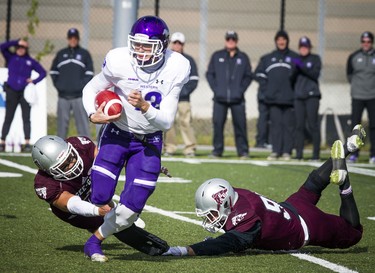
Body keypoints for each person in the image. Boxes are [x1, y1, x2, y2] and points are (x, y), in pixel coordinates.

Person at [81, 16, 190, 262]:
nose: (139, 51)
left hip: (149, 141)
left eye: (146, 46)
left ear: (162, 45)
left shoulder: (177, 66)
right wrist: (93, 114)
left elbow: (166, 121)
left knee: (131, 210)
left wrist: (144, 106)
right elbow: (90, 88)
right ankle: (105, 213)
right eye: (136, 45)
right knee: (99, 196)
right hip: (117, 133)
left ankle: (94, 241)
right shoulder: (119, 60)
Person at [163, 124, 365, 256]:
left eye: (213, 212)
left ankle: (344, 183)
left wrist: (186, 250)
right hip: (290, 208)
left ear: (225, 204)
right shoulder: (236, 194)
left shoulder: (246, 217)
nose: (210, 217)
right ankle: (347, 146)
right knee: (313, 183)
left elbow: (228, 243)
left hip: (306, 225)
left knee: (354, 232)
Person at [32, 135, 169, 260]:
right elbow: (72, 204)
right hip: (73, 209)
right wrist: (99, 211)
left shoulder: (80, 145)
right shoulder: (44, 184)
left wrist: (144, 166)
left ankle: (110, 211)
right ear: (48, 171)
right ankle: (95, 240)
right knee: (108, 224)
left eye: (70, 158)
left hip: (92, 184)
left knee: (106, 196)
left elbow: (109, 161)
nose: (72, 164)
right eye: (64, 165)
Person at [206, 30, 252, 159]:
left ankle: (243, 151)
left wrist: (240, 90)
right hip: (220, 98)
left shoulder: (243, 57)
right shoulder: (217, 56)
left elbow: (248, 76)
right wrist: (216, 89)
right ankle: (217, 150)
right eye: (228, 39)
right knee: (218, 124)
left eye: (233, 39)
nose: (230, 41)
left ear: (236, 41)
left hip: (238, 99)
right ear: (225, 40)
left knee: (240, 125)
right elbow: (210, 74)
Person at [255, 30, 299, 161]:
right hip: (273, 99)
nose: (281, 42)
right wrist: (267, 89)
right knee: (275, 126)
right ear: (276, 41)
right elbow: (258, 74)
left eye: (283, 39)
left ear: (287, 41)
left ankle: (287, 151)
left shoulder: (295, 57)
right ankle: (275, 151)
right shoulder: (267, 58)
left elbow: (305, 72)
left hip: (289, 99)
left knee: (288, 126)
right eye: (279, 39)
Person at [0, 38, 46, 152]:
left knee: (26, 117)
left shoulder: (30, 61)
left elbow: (43, 72)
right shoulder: (11, 57)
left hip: (24, 92)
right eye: (19, 47)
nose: (21, 49)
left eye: (23, 48)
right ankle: (2, 141)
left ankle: (27, 142)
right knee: (8, 117)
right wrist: (16, 42)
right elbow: (2, 47)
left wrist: (33, 81)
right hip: (11, 91)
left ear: (26, 49)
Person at [50, 28, 94, 139]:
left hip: (78, 96)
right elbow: (53, 72)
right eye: (71, 38)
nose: (73, 40)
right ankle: (60, 148)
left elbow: (89, 73)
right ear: (68, 39)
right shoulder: (61, 54)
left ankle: (86, 148)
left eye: (75, 38)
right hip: (63, 96)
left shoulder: (84, 54)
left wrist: (80, 87)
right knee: (61, 126)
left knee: (83, 126)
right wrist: (60, 86)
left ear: (78, 39)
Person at [164, 32, 199, 157]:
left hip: (183, 98)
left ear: (183, 45)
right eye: (175, 43)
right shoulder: (165, 58)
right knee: (169, 122)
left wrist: (182, 92)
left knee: (186, 122)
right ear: (171, 44)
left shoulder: (189, 60)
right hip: (168, 97)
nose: (177, 45)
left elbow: (194, 79)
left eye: (180, 43)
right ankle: (170, 147)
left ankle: (190, 148)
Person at [346, 31, 375, 164]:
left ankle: (373, 154)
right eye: (363, 41)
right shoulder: (354, 56)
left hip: (372, 96)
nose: (366, 44)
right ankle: (354, 154)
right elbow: (349, 75)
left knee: (373, 125)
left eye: (368, 41)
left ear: (372, 42)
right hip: (357, 96)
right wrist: (357, 87)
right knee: (356, 126)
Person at [294, 36, 322, 161]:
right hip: (299, 96)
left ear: (309, 47)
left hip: (312, 96)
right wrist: (295, 67)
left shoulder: (315, 59)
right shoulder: (296, 60)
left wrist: (301, 66)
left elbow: (314, 74)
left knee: (313, 125)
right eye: (302, 47)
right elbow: (291, 77)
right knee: (299, 126)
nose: (303, 49)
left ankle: (315, 154)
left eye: (306, 47)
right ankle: (299, 154)